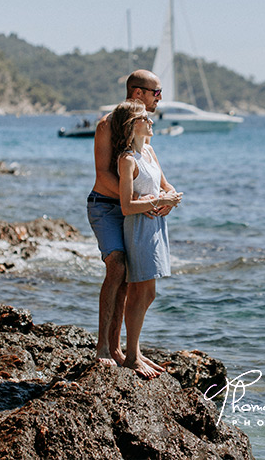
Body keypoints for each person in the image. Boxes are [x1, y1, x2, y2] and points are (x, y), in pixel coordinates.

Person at [87, 70, 171, 368]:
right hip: (106, 206)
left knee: (133, 279)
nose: (159, 98)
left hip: (136, 210)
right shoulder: (107, 125)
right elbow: (103, 174)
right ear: (138, 93)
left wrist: (165, 198)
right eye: (156, 92)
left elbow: (153, 173)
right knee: (117, 266)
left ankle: (123, 349)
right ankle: (102, 348)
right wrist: (137, 201)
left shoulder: (143, 132)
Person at [111, 101, 182, 378]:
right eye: (145, 119)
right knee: (140, 291)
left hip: (156, 227)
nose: (151, 121)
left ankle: (134, 351)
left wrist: (171, 199)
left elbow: (166, 186)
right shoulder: (127, 160)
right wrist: (158, 201)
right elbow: (127, 205)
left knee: (148, 292)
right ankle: (131, 356)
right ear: (132, 125)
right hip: (139, 228)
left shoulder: (150, 151)